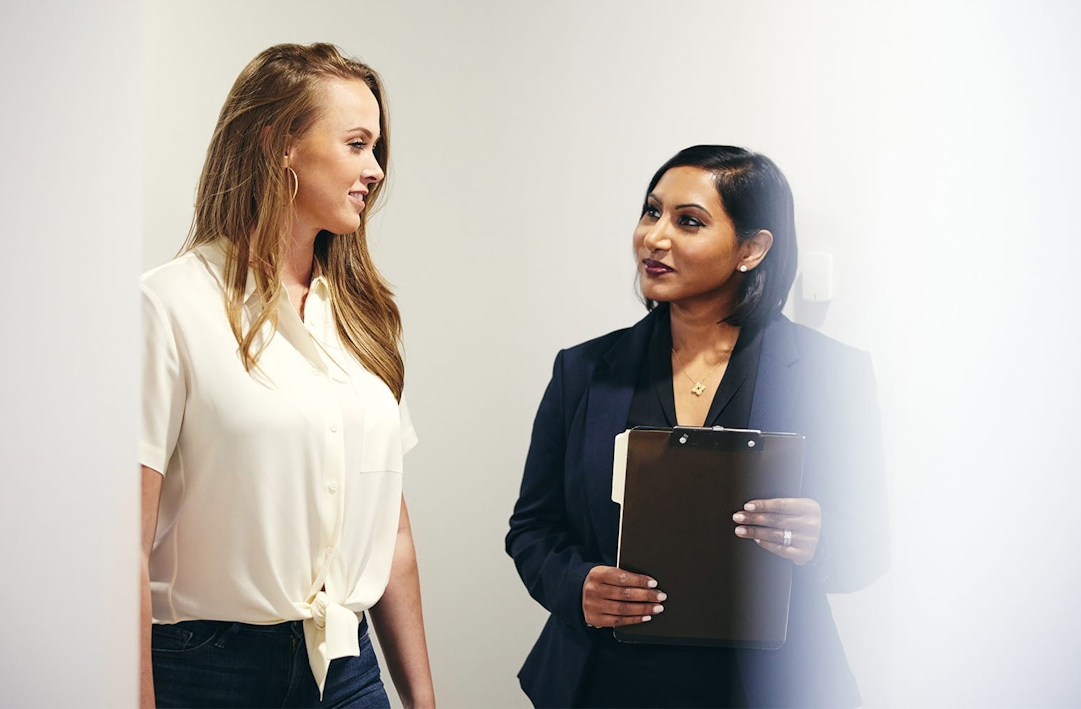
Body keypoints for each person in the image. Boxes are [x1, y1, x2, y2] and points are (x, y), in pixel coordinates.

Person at [506, 145, 889, 708]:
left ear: (752, 249)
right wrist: (576, 586)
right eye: (650, 212)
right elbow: (532, 528)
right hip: (607, 682)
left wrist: (818, 537)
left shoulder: (831, 374)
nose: (654, 237)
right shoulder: (583, 371)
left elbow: (869, 546)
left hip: (767, 686)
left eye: (688, 221)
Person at [140, 43, 434, 709]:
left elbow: (390, 532)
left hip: (347, 666)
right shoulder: (168, 305)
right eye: (357, 143)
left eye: (377, 147)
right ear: (280, 144)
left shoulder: (366, 317)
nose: (376, 169)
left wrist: (423, 698)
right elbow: (124, 546)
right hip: (206, 672)